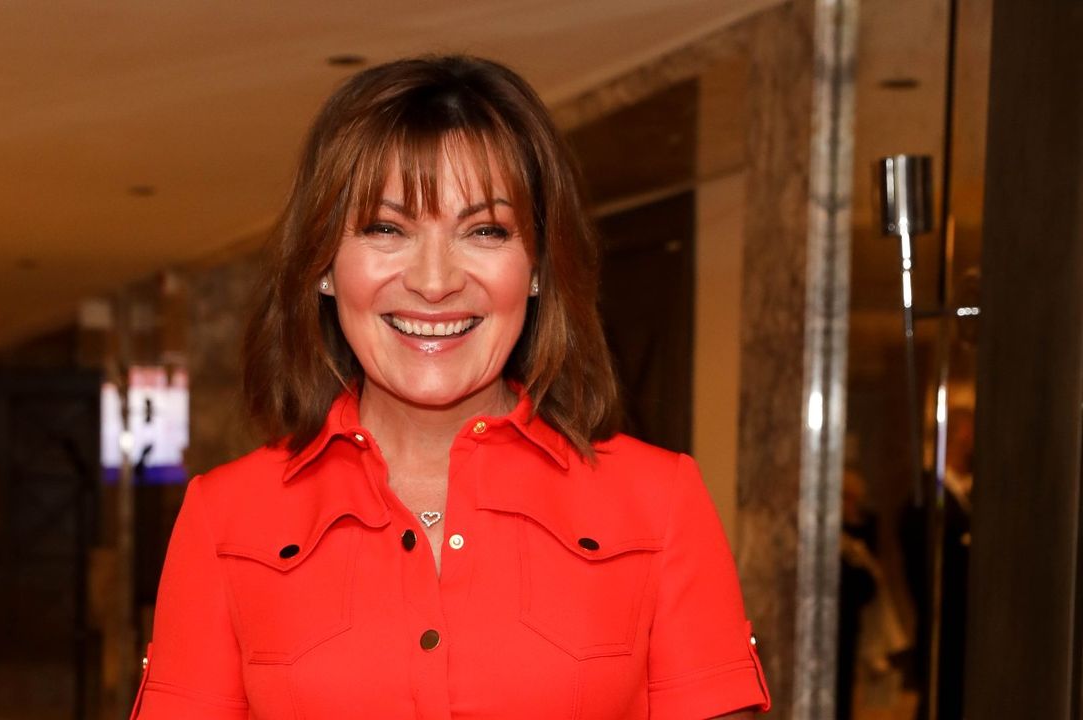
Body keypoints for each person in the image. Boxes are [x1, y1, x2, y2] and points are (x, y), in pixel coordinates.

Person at [130, 55, 770, 720]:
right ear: (322, 264)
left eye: (484, 231)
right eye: (388, 229)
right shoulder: (225, 519)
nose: (434, 282)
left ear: (539, 268)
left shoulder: (659, 505)